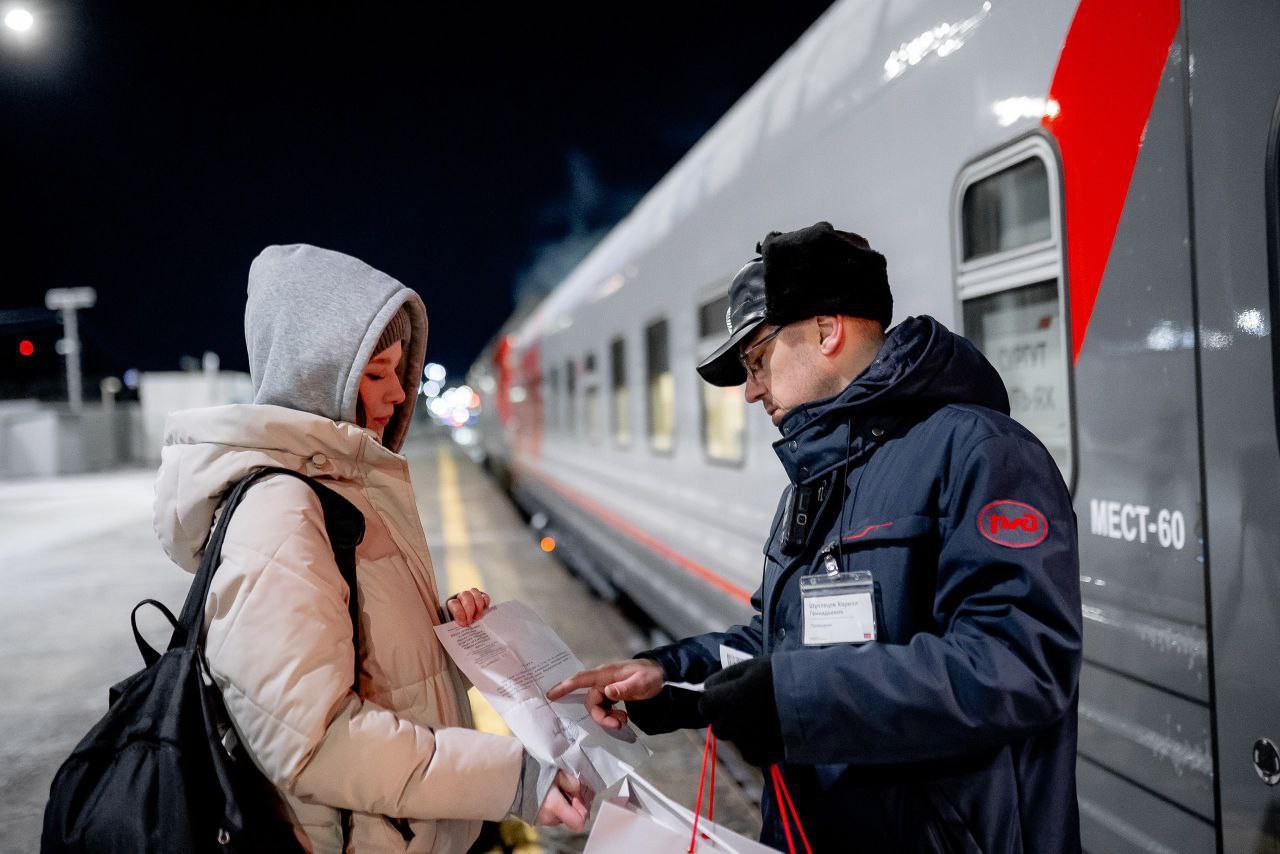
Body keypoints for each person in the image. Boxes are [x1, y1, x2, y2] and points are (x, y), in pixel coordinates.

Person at [547, 222, 1082, 852]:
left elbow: (1017, 664)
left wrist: (790, 697)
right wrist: (674, 681)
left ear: (827, 331)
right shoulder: (817, 476)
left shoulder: (982, 453)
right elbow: (778, 641)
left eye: (757, 359)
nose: (750, 390)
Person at [153, 244, 587, 852]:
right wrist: (512, 781)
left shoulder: (344, 493)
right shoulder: (282, 511)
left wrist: (445, 637)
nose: (398, 396)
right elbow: (312, 743)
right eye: (375, 374)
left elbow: (362, 663)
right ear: (317, 374)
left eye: (399, 373)